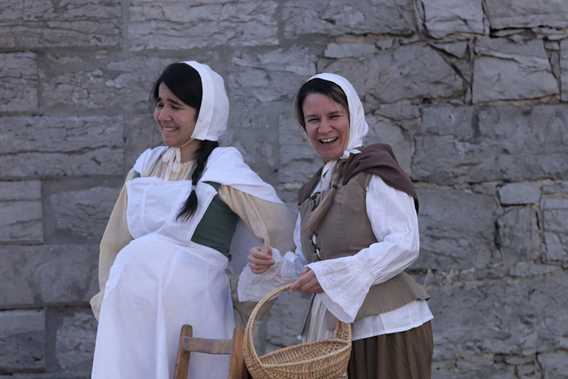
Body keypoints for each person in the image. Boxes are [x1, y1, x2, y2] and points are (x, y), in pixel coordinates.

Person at [90, 61, 293, 379]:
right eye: (159, 104)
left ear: (205, 112)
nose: (163, 115)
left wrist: (256, 279)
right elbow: (114, 240)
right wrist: (109, 298)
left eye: (176, 106)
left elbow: (278, 226)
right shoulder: (147, 163)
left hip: (195, 312)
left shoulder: (224, 168)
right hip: (132, 320)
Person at [239, 73, 433, 379]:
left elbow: (404, 243)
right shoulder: (314, 189)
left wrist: (332, 275)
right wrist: (272, 265)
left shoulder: (376, 173)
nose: (324, 128)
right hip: (333, 338)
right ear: (304, 128)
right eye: (313, 119)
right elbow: (311, 265)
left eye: (334, 116)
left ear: (352, 116)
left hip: (385, 328)